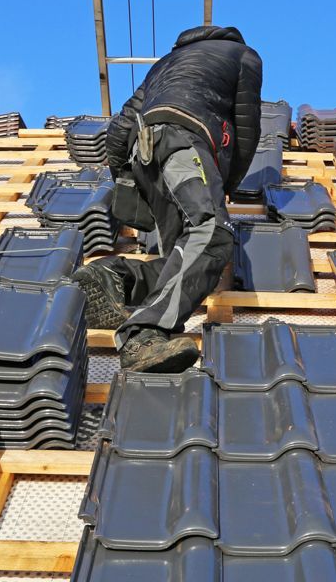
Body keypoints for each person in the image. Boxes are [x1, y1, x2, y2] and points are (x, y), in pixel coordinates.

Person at [72, 25, 263, 372]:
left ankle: (113, 275)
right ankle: (145, 334)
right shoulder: (243, 56)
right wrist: (224, 185)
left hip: (143, 149)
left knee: (182, 252)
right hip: (186, 140)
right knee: (212, 235)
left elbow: (121, 124)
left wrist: (127, 177)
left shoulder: (165, 62)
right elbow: (247, 129)